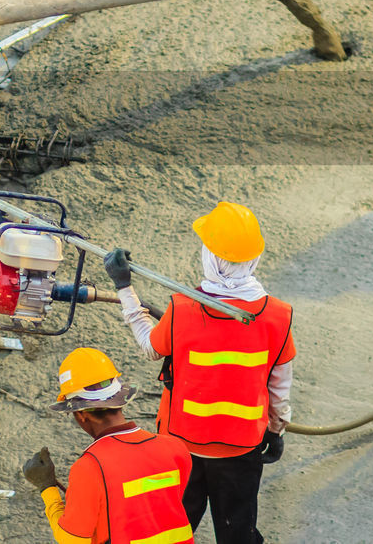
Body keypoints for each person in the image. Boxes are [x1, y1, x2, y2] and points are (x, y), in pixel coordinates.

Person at [105, 202, 294, 544]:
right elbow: (280, 388)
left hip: (180, 449)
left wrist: (124, 287)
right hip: (241, 451)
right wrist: (277, 430)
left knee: (170, 532)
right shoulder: (278, 316)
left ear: (210, 257)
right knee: (238, 534)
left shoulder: (183, 307)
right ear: (254, 258)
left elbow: (150, 346)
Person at [22, 348, 192, 544]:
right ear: (120, 400)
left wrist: (47, 487)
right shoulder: (175, 449)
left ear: (81, 414)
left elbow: (72, 540)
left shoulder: (90, 467)